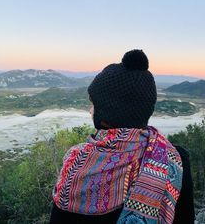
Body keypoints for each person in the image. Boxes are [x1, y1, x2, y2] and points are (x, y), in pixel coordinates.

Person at [50, 49, 195, 224]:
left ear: (108, 111)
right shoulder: (175, 159)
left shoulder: (77, 164)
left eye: (94, 105)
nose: (90, 111)